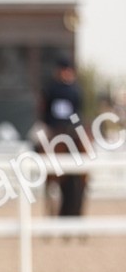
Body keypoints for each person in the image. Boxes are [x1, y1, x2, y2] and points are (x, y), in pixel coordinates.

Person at [38, 56, 88, 217]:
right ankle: (40, 170)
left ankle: (85, 174)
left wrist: (75, 125)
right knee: (37, 140)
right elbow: (45, 110)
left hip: (71, 127)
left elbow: (78, 111)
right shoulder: (50, 88)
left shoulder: (75, 90)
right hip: (53, 127)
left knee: (85, 144)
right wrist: (48, 124)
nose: (66, 73)